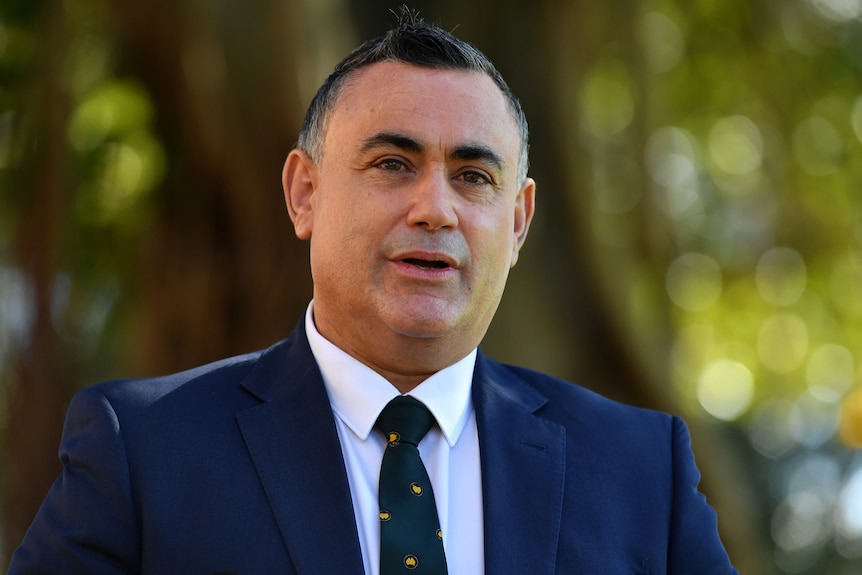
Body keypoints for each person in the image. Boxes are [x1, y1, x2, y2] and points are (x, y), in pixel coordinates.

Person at [8, 9, 737, 575]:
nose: (435, 208)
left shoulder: (642, 468)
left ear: (517, 224)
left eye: (474, 177)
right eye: (393, 163)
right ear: (304, 195)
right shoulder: (143, 451)